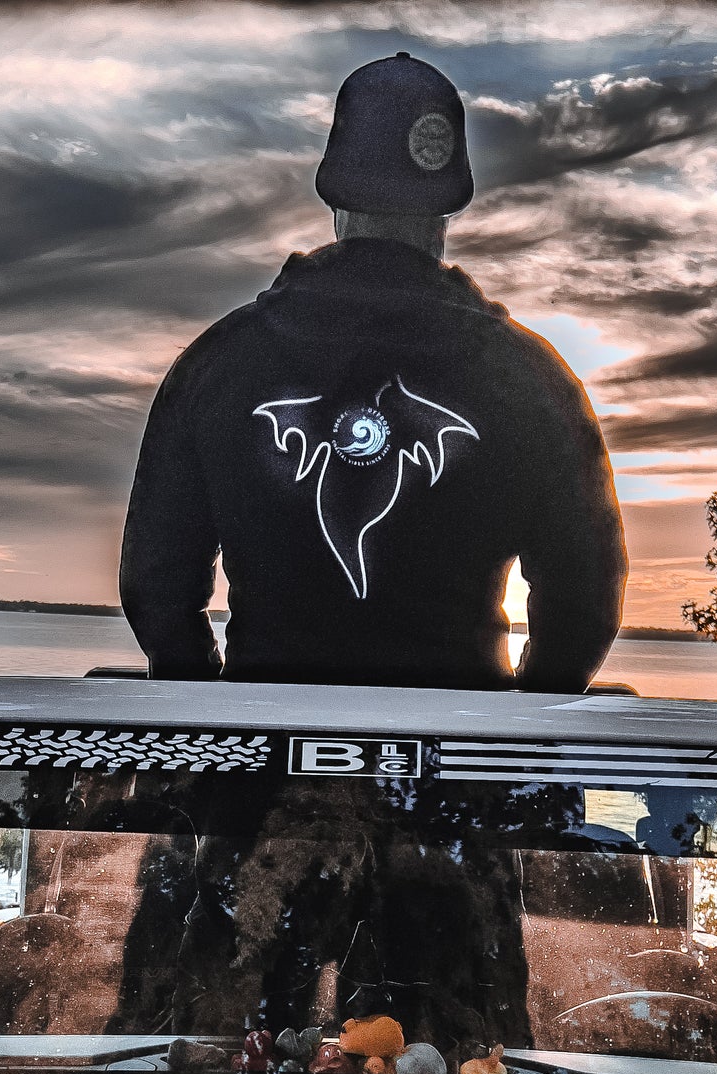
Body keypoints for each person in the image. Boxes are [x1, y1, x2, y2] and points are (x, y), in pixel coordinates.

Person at [119, 51, 627, 690]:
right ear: (447, 212)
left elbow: (156, 584)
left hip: (264, 760)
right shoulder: (530, 377)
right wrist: (516, 727)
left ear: (334, 197)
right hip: (462, 771)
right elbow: (584, 600)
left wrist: (216, 721)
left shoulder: (218, 362)